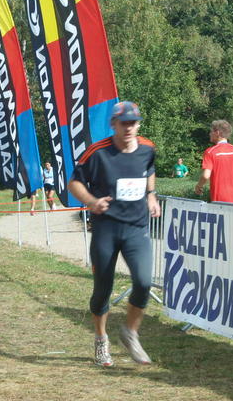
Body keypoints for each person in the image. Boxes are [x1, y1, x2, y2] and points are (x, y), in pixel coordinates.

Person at [68, 101, 161, 367]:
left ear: (138, 124)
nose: (129, 128)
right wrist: (91, 201)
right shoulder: (98, 152)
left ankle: (130, 333)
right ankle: (101, 340)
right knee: (103, 289)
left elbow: (149, 170)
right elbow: (74, 182)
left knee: (143, 282)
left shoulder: (147, 148)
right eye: (124, 123)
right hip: (106, 229)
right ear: (113, 125)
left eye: (133, 123)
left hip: (136, 228)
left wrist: (151, 195)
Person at [194, 120, 233, 203]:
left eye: (211, 131)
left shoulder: (210, 152)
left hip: (219, 201)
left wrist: (198, 186)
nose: (209, 134)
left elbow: (205, 176)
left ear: (217, 133)